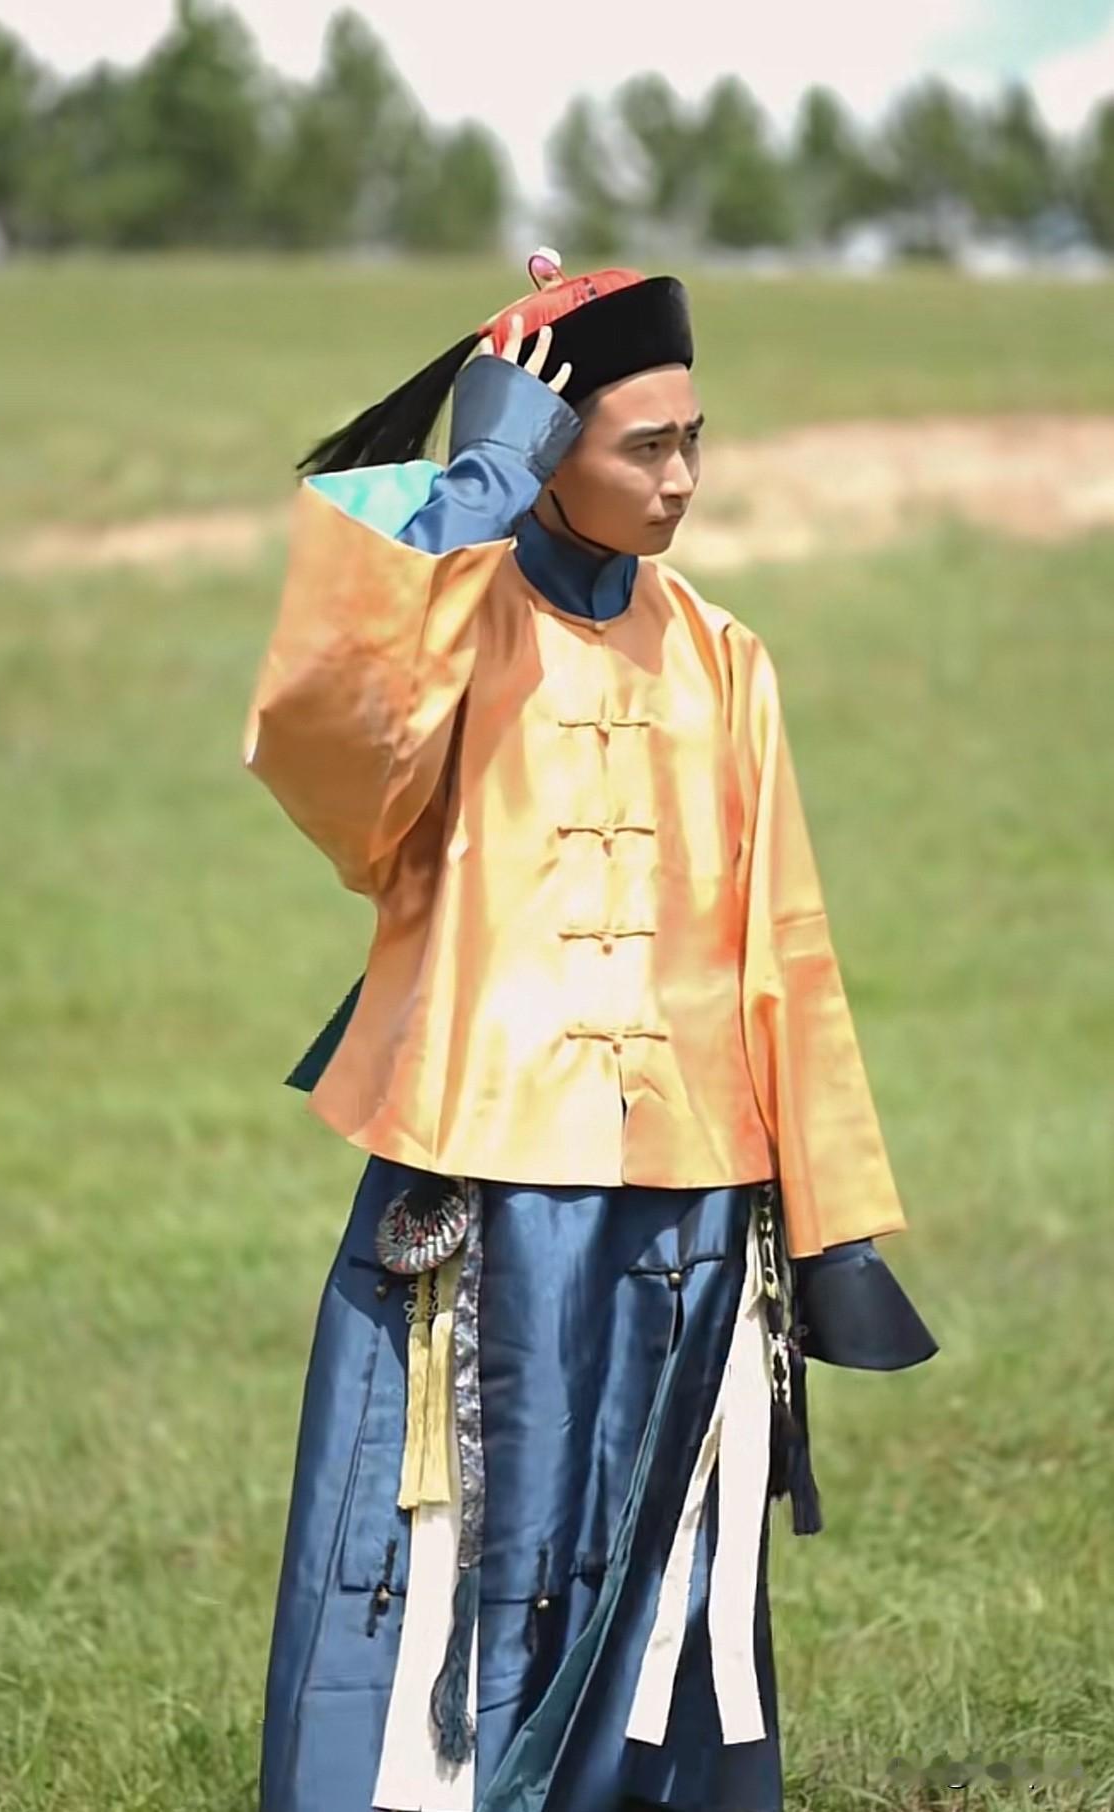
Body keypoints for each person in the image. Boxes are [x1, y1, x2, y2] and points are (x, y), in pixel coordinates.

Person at [241, 253, 938, 1812]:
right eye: (644, 445)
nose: (681, 478)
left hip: (691, 1207)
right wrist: (472, 485)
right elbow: (327, 747)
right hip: (479, 1193)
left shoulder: (724, 658)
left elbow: (786, 948)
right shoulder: (443, 639)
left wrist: (825, 1224)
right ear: (551, 447)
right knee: (457, 1552)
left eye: (696, 440)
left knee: (661, 1554)